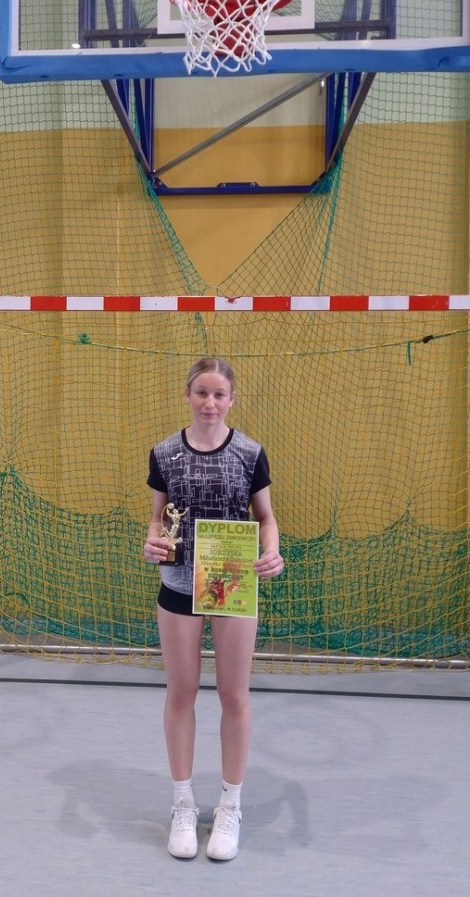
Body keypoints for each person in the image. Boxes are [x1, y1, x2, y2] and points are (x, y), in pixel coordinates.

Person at [144, 356, 284, 862]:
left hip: (233, 583)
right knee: (181, 691)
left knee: (233, 694)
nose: (210, 402)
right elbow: (158, 518)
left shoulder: (250, 452)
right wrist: (152, 543)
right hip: (179, 586)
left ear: (231, 399)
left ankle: (230, 805)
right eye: (201, 392)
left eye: (219, 394)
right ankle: (183, 803)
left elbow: (266, 518)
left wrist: (272, 551)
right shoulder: (164, 452)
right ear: (187, 395)